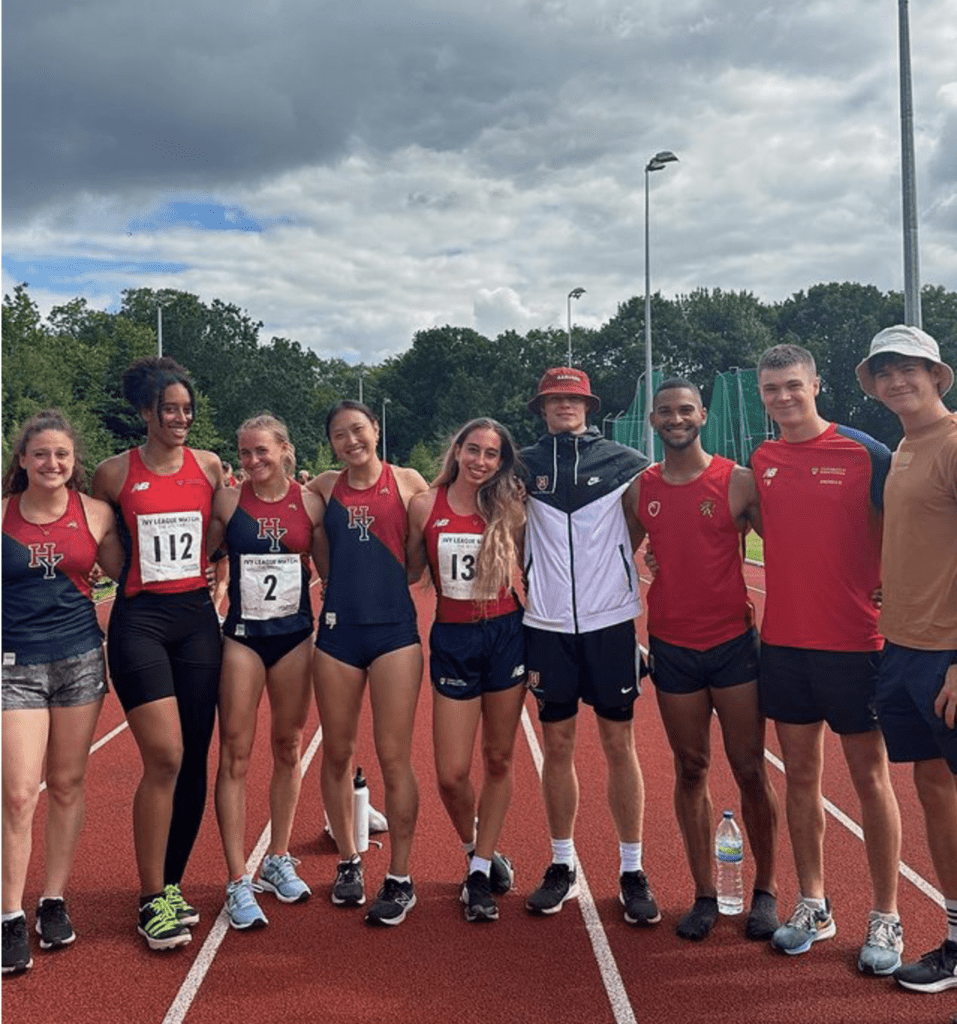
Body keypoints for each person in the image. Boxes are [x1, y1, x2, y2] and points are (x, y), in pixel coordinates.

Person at [751, 344, 903, 974]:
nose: (783, 397)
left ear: (816, 384)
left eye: (793, 385)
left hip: (856, 644)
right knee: (801, 778)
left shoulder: (866, 453)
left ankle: (886, 915)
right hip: (785, 643)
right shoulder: (761, 461)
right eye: (771, 389)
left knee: (871, 779)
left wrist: (904, 584)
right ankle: (813, 901)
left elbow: (918, 524)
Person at [635, 378, 780, 941]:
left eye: (686, 409)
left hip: (732, 645)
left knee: (748, 767)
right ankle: (703, 892)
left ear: (702, 415)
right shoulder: (641, 488)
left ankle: (764, 890)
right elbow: (613, 556)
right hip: (673, 647)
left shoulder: (737, 482)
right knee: (690, 768)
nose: (677, 419)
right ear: (653, 421)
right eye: (666, 412)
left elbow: (791, 546)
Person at [92, 356, 224, 951]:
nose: (180, 418)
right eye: (169, 409)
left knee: (194, 756)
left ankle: (171, 886)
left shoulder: (210, 466)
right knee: (165, 755)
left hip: (197, 618)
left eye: (187, 409)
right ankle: (149, 899)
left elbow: (219, 533)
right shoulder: (114, 473)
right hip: (140, 621)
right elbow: (111, 554)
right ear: (145, 412)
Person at [521, 367, 659, 924]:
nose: (564, 405)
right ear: (542, 407)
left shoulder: (627, 464)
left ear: (589, 403)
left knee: (619, 745)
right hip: (547, 625)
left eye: (573, 398)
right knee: (557, 748)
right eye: (554, 399)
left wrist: (628, 565)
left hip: (609, 625)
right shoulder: (524, 464)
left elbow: (651, 520)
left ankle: (631, 868)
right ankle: (561, 863)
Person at [1, 411, 124, 974]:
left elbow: (135, 573)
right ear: (22, 459)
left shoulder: (94, 514)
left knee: (69, 783)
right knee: (21, 793)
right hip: (15, 664)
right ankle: (8, 915)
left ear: (74, 464)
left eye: (63, 456)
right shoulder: (2, 518)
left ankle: (53, 899)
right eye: (42, 454)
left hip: (78, 661)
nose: (52, 463)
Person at [855, 325, 957, 993]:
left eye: (909, 368)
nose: (897, 380)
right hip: (903, 644)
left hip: (945, 651)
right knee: (933, 791)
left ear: (934, 374)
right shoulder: (902, 448)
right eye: (885, 371)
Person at [307, 400, 429, 926]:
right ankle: (349, 862)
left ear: (376, 429)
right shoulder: (324, 489)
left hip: (394, 633)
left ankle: (400, 875)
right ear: (331, 443)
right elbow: (318, 552)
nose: (351, 441)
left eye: (358, 430)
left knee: (394, 756)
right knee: (337, 753)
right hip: (338, 633)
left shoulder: (408, 482)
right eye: (340, 435)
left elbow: (417, 555)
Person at [406, 419, 526, 922]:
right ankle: (476, 845)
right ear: (456, 451)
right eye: (472, 450)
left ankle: (477, 873)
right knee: (452, 774)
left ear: (501, 461)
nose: (480, 461)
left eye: (491, 455)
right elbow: (410, 571)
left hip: (504, 633)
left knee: (498, 759)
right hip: (453, 637)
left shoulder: (510, 507)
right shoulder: (423, 506)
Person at [209, 414, 324, 929]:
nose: (253, 462)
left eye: (262, 452)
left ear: (285, 450)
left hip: (295, 635)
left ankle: (277, 857)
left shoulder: (309, 502)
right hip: (244, 638)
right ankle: (237, 878)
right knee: (235, 751)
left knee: (288, 745)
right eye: (245, 453)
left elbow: (328, 565)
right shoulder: (230, 502)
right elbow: (208, 550)